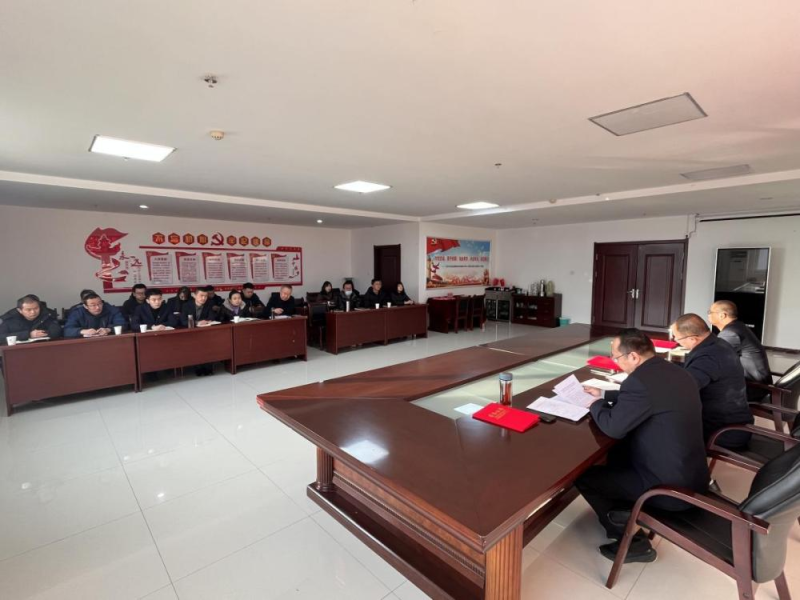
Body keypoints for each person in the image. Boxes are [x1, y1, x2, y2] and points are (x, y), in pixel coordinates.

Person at [578, 328, 709, 563]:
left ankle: (633, 542)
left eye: (616, 357)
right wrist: (606, 394)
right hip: (692, 475)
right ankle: (622, 510)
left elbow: (613, 427)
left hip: (666, 489)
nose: (615, 362)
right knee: (617, 453)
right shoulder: (676, 371)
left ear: (633, 357)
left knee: (585, 476)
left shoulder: (638, 381)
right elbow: (652, 396)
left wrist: (596, 403)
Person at [670, 313, 754, 448]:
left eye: (677, 337)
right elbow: (693, 369)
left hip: (722, 431)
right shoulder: (717, 344)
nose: (675, 340)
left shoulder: (709, 356)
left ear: (692, 339)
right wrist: (665, 366)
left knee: (658, 425)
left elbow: (685, 388)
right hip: (734, 421)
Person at [708, 300, 772, 402]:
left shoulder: (730, 333)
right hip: (753, 383)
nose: (708, 315)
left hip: (752, 387)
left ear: (722, 315)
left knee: (703, 388)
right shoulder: (738, 327)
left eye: (710, 312)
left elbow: (713, 358)